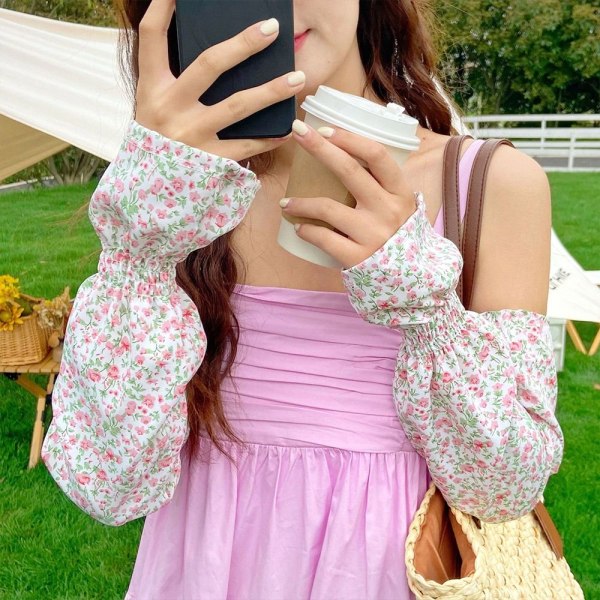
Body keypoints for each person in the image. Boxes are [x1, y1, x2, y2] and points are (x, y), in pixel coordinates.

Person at [41, 0, 564, 598]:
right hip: (206, 567)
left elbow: (504, 488)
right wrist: (141, 249)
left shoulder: (490, 183)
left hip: (386, 571)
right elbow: (110, 486)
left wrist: (427, 305)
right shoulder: (179, 184)